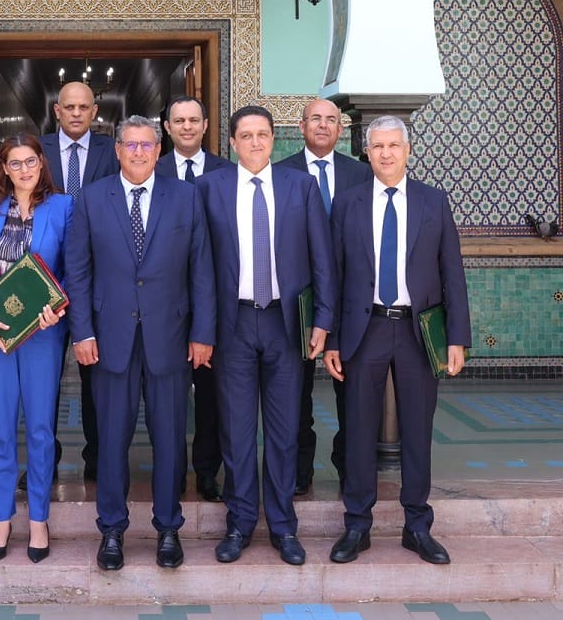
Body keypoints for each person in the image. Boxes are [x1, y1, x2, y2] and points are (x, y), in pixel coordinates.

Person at [66, 115, 215, 571]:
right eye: (129, 145)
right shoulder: (91, 199)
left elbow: (202, 270)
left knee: (170, 439)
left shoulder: (186, 197)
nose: (138, 152)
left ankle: (168, 528)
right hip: (109, 339)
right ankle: (112, 530)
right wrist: (83, 331)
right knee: (111, 439)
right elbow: (79, 270)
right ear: (117, 150)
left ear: (158, 148)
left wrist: (203, 333)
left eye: (146, 145)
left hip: (170, 338)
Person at [324, 115, 470, 566]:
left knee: (417, 429)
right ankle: (357, 525)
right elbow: (332, 274)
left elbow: (452, 274)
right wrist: (329, 338)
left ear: (408, 150)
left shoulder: (433, 202)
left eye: (393, 145)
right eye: (377, 146)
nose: (386, 153)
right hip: (362, 330)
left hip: (416, 330)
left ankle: (417, 525)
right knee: (359, 428)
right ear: (366, 152)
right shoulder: (347, 203)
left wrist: (457, 338)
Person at [197, 105, 335, 567]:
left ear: (274, 140)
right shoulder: (209, 188)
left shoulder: (301, 186)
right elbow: (197, 266)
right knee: (235, 431)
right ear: (232, 142)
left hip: (285, 323)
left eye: (263, 135)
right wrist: (201, 330)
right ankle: (238, 523)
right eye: (246, 135)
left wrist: (322, 319)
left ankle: (282, 526)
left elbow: (323, 259)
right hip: (231, 325)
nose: (256, 143)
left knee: (283, 431)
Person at [0, 133, 71, 564]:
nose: (25, 169)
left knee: (41, 430)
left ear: (42, 164)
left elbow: (72, 265)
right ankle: (3, 517)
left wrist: (59, 308)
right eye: (15, 163)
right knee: (1, 429)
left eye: (31, 162)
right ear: (4, 168)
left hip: (42, 334)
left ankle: (38, 519)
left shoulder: (62, 207)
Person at [275, 98, 372, 494]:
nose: (322, 125)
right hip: (297, 300)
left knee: (352, 390)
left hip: (351, 302)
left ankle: (348, 465)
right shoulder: (280, 173)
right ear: (300, 127)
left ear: (340, 128)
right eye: (315, 119)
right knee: (294, 394)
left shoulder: (361, 174)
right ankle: (300, 473)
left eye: (331, 120)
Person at [38, 80, 118, 483]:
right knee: (45, 377)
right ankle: (43, 460)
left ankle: (97, 458)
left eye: (83, 107)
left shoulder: (112, 151)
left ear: (94, 112)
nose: (75, 113)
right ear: (57, 110)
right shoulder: (37, 151)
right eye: (68, 106)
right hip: (45, 280)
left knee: (95, 376)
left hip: (97, 280)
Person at [156, 95, 232, 503]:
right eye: (178, 121)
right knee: (166, 394)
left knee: (210, 393)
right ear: (166, 128)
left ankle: (206, 471)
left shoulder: (227, 172)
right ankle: (168, 470)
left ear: (205, 126)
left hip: (212, 299)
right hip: (164, 302)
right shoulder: (152, 169)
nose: (186, 127)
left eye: (193, 120)